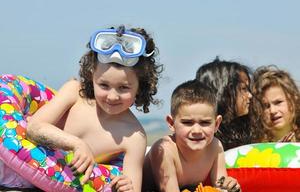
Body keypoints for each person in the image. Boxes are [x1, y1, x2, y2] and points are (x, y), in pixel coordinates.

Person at [26, 25, 163, 191]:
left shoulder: (134, 137)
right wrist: (77, 144)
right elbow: (34, 127)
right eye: (104, 85)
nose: (112, 96)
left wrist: (127, 187)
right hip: (24, 170)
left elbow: (132, 185)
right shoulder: (74, 92)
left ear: (141, 87)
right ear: (92, 77)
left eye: (124, 88)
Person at [142, 80, 240, 192]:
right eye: (187, 122)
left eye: (205, 123)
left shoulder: (215, 146)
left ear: (216, 124)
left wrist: (229, 187)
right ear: (171, 123)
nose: (197, 130)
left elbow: (220, 184)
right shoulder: (164, 150)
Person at [195, 57, 253, 150]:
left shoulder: (247, 130)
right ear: (224, 92)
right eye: (243, 89)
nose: (250, 95)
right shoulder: (203, 139)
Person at [250, 65, 300, 142]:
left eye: (278, 102)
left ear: (294, 100)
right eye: (266, 106)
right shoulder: (253, 146)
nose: (273, 111)